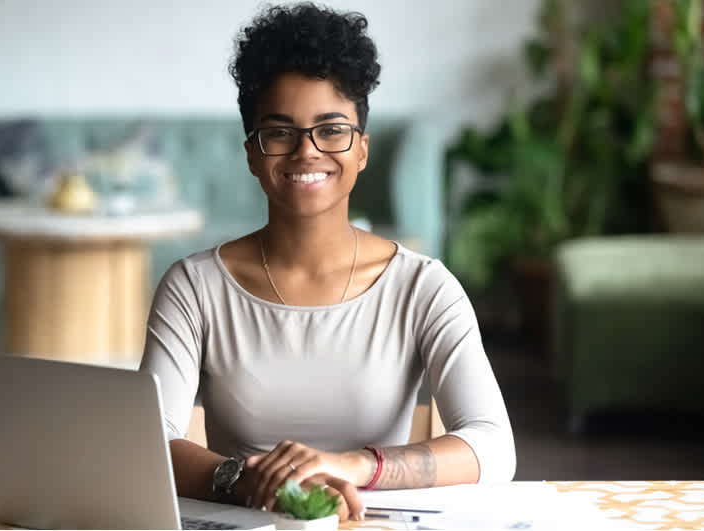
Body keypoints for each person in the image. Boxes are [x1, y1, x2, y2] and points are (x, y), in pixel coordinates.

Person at [139, 2, 516, 522]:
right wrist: (245, 479)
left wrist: (352, 466)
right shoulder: (194, 287)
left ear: (362, 149)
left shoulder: (423, 287)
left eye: (332, 129)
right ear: (252, 153)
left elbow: (493, 445)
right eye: (280, 132)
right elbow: (148, 440)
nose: (306, 151)